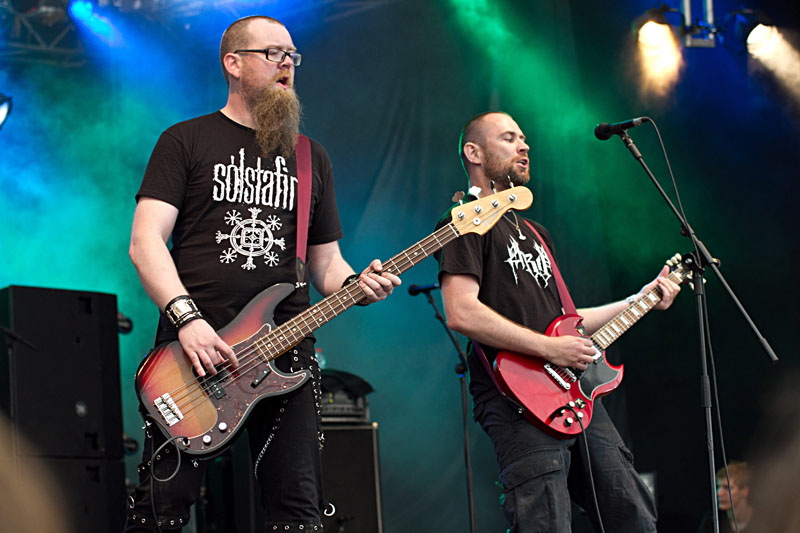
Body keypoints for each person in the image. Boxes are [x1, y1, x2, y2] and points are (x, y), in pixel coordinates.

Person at [125, 15, 400, 532]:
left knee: (298, 514)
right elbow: (145, 243)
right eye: (273, 53)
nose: (287, 65)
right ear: (233, 63)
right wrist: (188, 321)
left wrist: (356, 286)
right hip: (193, 349)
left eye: (293, 56)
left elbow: (325, 264)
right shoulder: (185, 140)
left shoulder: (309, 157)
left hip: (287, 351)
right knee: (160, 512)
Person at [436, 111, 681, 532]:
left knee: (634, 515)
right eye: (509, 137)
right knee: (545, 523)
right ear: (473, 153)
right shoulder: (464, 223)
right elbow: (461, 311)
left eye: (524, 138)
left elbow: (568, 321)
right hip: (514, 396)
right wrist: (549, 348)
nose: (524, 145)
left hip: (572, 393)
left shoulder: (536, 233)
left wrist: (638, 300)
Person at [699, 461, 753, 532]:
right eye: (718, 487)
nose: (719, 493)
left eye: (727, 488)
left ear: (744, 491)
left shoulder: (763, 519)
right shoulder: (712, 520)